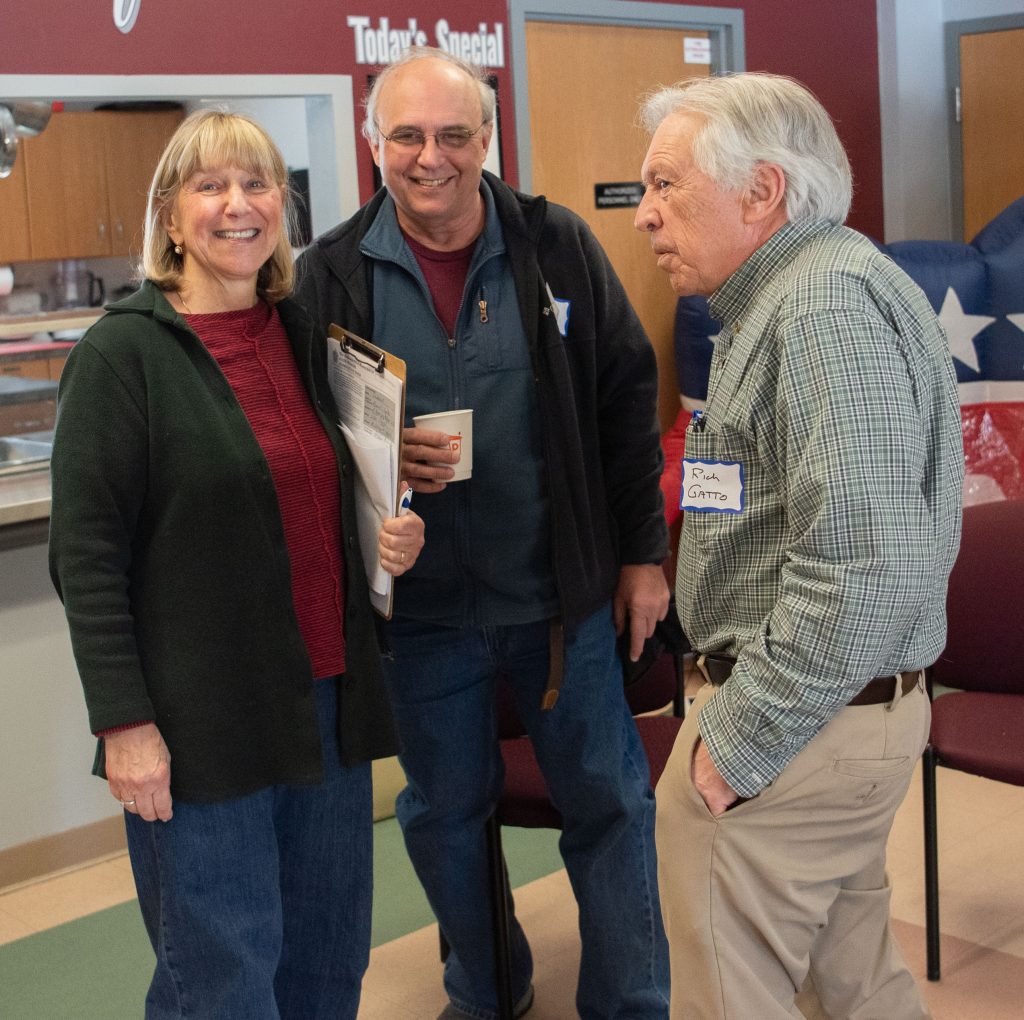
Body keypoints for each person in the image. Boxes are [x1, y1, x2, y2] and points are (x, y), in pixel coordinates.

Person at [295, 46, 671, 1020]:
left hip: (563, 608)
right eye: (409, 136)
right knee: (443, 818)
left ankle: (631, 1005)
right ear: (375, 145)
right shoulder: (327, 276)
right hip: (420, 624)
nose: (432, 157)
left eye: (454, 134)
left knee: (613, 807)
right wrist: (369, 477)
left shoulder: (556, 245)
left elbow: (626, 402)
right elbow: (298, 451)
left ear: (486, 139)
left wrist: (642, 556)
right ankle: (488, 986)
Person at [48, 110, 424, 1020]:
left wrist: (384, 536)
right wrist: (124, 727)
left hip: (324, 706)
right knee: (221, 980)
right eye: (209, 186)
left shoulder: (301, 338)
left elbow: (306, 498)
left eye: (258, 184)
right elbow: (86, 560)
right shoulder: (122, 355)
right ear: (171, 219)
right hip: (199, 726)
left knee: (328, 964)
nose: (237, 205)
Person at [634, 72, 963, 1020]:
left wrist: (737, 745)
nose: (646, 216)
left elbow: (865, 562)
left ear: (762, 190)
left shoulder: (819, 308)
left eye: (667, 186)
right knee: (854, 987)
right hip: (829, 722)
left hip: (795, 728)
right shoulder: (785, 297)